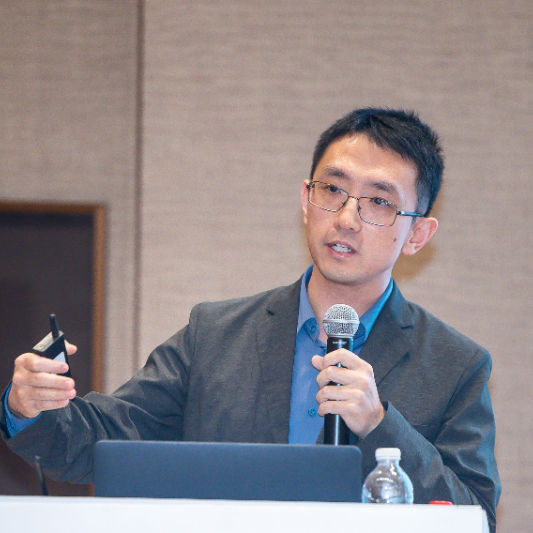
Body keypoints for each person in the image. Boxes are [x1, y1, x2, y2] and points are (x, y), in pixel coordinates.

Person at [1, 108, 500, 530]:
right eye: (333, 189)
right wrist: (30, 408)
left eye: (379, 202)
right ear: (306, 200)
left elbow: (475, 516)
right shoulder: (215, 336)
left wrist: (379, 425)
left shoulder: (455, 365)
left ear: (417, 235)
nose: (347, 217)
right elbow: (105, 442)